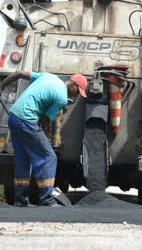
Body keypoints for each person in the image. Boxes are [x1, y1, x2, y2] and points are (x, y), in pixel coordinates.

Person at [0, 72, 88, 206]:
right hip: (26, 120)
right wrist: (47, 139)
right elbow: (45, 120)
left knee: (24, 159)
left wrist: (2, 86)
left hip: (13, 117)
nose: (76, 96)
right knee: (49, 156)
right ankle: (47, 200)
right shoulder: (61, 98)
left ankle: (20, 200)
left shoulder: (49, 77)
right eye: (78, 92)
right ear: (73, 84)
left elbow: (18, 73)